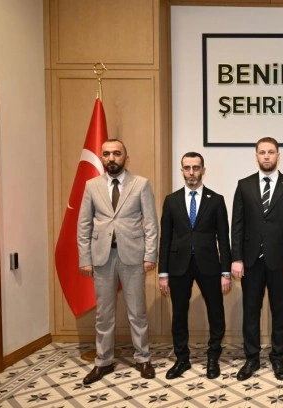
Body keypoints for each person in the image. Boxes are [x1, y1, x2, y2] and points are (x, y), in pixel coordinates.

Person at [77, 138, 159, 384]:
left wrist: (150, 255)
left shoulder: (141, 184)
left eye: (116, 153)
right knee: (104, 314)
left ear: (126, 157)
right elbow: (83, 224)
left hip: (133, 257)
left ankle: (143, 358)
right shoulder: (91, 185)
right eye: (106, 154)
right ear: (102, 157)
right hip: (102, 258)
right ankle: (103, 361)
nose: (111, 158)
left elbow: (151, 223)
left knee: (137, 312)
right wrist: (85, 258)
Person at [231, 137, 283, 381]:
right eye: (262, 152)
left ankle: (278, 358)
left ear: (278, 155)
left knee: (280, 312)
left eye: (271, 152)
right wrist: (236, 258)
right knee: (251, 311)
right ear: (256, 156)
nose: (267, 156)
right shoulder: (244, 185)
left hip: (280, 262)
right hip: (251, 262)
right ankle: (251, 358)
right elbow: (237, 224)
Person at [158, 152, 232, 380]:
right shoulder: (171, 200)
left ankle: (213, 357)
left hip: (209, 265)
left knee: (216, 312)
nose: (192, 172)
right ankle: (182, 359)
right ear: (182, 170)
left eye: (196, 168)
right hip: (178, 266)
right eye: (187, 168)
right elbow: (165, 238)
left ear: (203, 170)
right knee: (179, 313)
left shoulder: (216, 200)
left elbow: (224, 238)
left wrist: (226, 271)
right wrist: (163, 272)